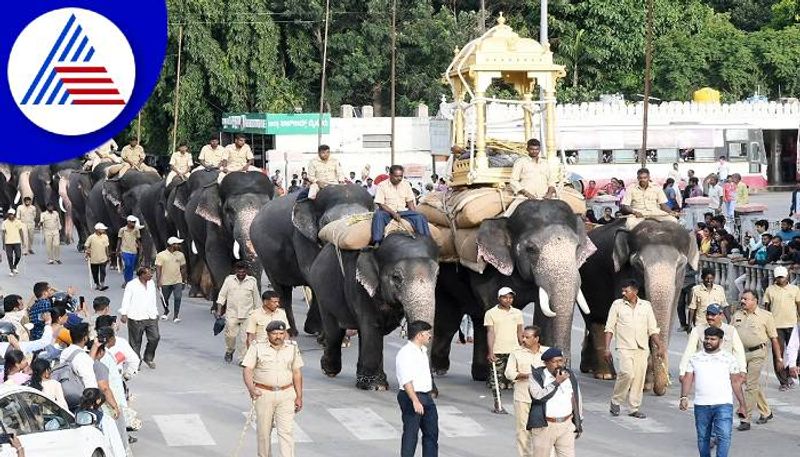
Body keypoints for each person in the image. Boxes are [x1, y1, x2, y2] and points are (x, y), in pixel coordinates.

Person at [679, 326, 747, 457]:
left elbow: (736, 382)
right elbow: (688, 378)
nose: (708, 341)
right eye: (707, 338)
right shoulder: (695, 358)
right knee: (703, 438)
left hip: (723, 404)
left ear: (721, 341)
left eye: (713, 339)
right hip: (701, 405)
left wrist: (742, 404)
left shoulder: (729, 358)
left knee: (724, 436)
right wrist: (684, 397)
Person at [242, 320, 304, 457]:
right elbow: (247, 370)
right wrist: (252, 389)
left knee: (286, 432)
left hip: (287, 394)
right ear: (268, 334)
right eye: (274, 333)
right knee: (264, 432)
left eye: (281, 333)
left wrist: (299, 396)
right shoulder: (257, 347)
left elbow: (297, 373)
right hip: (264, 394)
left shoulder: (292, 348)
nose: (278, 336)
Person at [604, 279, 665, 419]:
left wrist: (660, 346)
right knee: (627, 373)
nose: (623, 293)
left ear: (635, 291)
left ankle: (634, 408)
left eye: (627, 291)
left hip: (642, 348)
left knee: (638, 379)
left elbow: (652, 329)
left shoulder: (646, 306)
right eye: (623, 290)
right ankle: (616, 400)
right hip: (625, 347)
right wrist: (606, 348)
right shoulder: (617, 305)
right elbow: (609, 327)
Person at [732, 290, 782, 431]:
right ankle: (766, 412)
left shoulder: (766, 316)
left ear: (755, 301)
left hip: (757, 353)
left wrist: (779, 358)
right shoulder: (737, 315)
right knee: (751, 384)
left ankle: (745, 418)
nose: (742, 301)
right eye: (742, 298)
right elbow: (730, 335)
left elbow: (774, 338)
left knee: (750, 386)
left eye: (746, 299)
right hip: (740, 355)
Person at [526, 347, 583, 457]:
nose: (558, 364)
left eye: (560, 361)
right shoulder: (536, 376)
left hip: (566, 425)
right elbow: (538, 397)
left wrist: (578, 421)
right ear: (546, 363)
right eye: (554, 362)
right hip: (545, 427)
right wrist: (556, 383)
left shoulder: (569, 375)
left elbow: (576, 398)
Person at [395, 320, 438, 457]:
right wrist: (415, 400)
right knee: (411, 433)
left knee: (431, 433)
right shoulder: (406, 353)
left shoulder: (422, 351)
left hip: (426, 397)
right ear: (419, 335)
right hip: (411, 397)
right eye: (427, 333)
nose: (430, 336)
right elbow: (406, 380)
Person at [505, 326, 549, 457]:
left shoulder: (547, 353)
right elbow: (509, 373)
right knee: (523, 431)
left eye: (527, 337)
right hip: (523, 398)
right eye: (523, 336)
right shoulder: (516, 352)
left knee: (544, 431)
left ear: (537, 339)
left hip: (543, 400)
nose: (523, 339)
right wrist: (527, 376)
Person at [679, 304, 746, 379]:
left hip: (725, 373)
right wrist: (683, 371)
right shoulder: (697, 330)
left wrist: (742, 370)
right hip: (704, 372)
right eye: (708, 314)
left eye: (713, 315)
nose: (709, 317)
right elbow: (689, 352)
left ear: (721, 315)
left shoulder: (731, 330)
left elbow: (739, 352)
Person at [484, 287, 524, 413]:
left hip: (514, 351)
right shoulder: (491, 313)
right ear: (499, 298)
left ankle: (521, 403)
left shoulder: (517, 313)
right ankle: (498, 403)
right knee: (496, 378)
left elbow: (520, 332)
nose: (508, 300)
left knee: (518, 378)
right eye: (505, 297)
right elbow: (490, 333)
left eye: (510, 297)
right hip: (498, 350)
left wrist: (523, 348)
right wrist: (491, 351)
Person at [371, 165, 431, 246]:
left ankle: (425, 240)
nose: (399, 178)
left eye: (401, 176)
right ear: (390, 175)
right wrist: (393, 213)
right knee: (378, 215)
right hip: (387, 212)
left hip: (403, 211)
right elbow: (381, 204)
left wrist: (413, 213)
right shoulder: (382, 185)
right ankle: (377, 242)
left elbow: (409, 201)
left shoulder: (406, 184)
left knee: (420, 216)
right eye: (396, 176)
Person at [762, 265, 800, 390]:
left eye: (782, 277)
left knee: (793, 353)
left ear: (787, 276)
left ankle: (790, 375)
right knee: (778, 354)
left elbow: (798, 306)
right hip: (776, 326)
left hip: (792, 325)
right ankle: (783, 381)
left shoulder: (794, 289)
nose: (780, 279)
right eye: (778, 277)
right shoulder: (770, 290)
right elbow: (766, 308)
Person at [216, 262, 260, 363]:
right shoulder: (229, 280)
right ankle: (230, 350)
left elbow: (256, 299)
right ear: (236, 271)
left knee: (244, 339)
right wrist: (219, 311)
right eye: (239, 271)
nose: (241, 274)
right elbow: (222, 296)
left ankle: (242, 359)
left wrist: (258, 315)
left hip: (247, 315)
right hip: (232, 314)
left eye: (243, 272)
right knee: (230, 335)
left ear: (246, 271)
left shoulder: (252, 281)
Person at [119, 267, 160, 370]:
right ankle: (136, 362)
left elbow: (153, 299)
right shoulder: (132, 285)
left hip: (150, 316)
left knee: (155, 337)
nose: (151, 275)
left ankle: (148, 357)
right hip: (135, 317)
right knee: (135, 342)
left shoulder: (151, 284)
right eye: (148, 274)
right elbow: (126, 300)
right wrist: (124, 313)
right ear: (141, 275)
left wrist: (156, 312)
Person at [154, 237, 187, 322]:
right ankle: (166, 311)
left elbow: (183, 268)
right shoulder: (161, 255)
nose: (179, 245)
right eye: (177, 244)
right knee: (164, 298)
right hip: (165, 281)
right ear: (172, 245)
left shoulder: (180, 255)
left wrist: (183, 280)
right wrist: (158, 281)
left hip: (177, 280)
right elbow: (158, 269)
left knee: (178, 297)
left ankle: (176, 316)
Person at [85, 222, 110, 290]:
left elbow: (106, 247)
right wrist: (87, 252)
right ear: (97, 229)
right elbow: (87, 245)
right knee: (95, 273)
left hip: (103, 258)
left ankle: (102, 283)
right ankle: (97, 284)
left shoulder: (105, 237)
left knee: (103, 271)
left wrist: (108, 256)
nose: (104, 230)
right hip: (94, 258)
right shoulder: (91, 237)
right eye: (102, 229)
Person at [116, 216, 141, 286]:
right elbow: (119, 240)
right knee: (127, 265)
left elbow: (138, 240)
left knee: (131, 267)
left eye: (134, 222)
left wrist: (141, 249)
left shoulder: (136, 230)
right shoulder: (122, 230)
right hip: (125, 250)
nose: (133, 223)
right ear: (128, 222)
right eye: (132, 222)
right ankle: (127, 280)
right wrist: (117, 250)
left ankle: (129, 281)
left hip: (134, 251)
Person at [1, 209, 24, 275]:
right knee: (9, 256)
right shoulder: (4, 222)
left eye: (12, 214)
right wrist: (3, 244)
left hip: (17, 241)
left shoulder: (18, 222)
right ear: (8, 214)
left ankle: (14, 266)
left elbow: (21, 231)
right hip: (8, 242)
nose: (11, 216)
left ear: (14, 215)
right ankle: (11, 269)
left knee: (18, 256)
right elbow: (3, 234)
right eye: (10, 214)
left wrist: (23, 241)